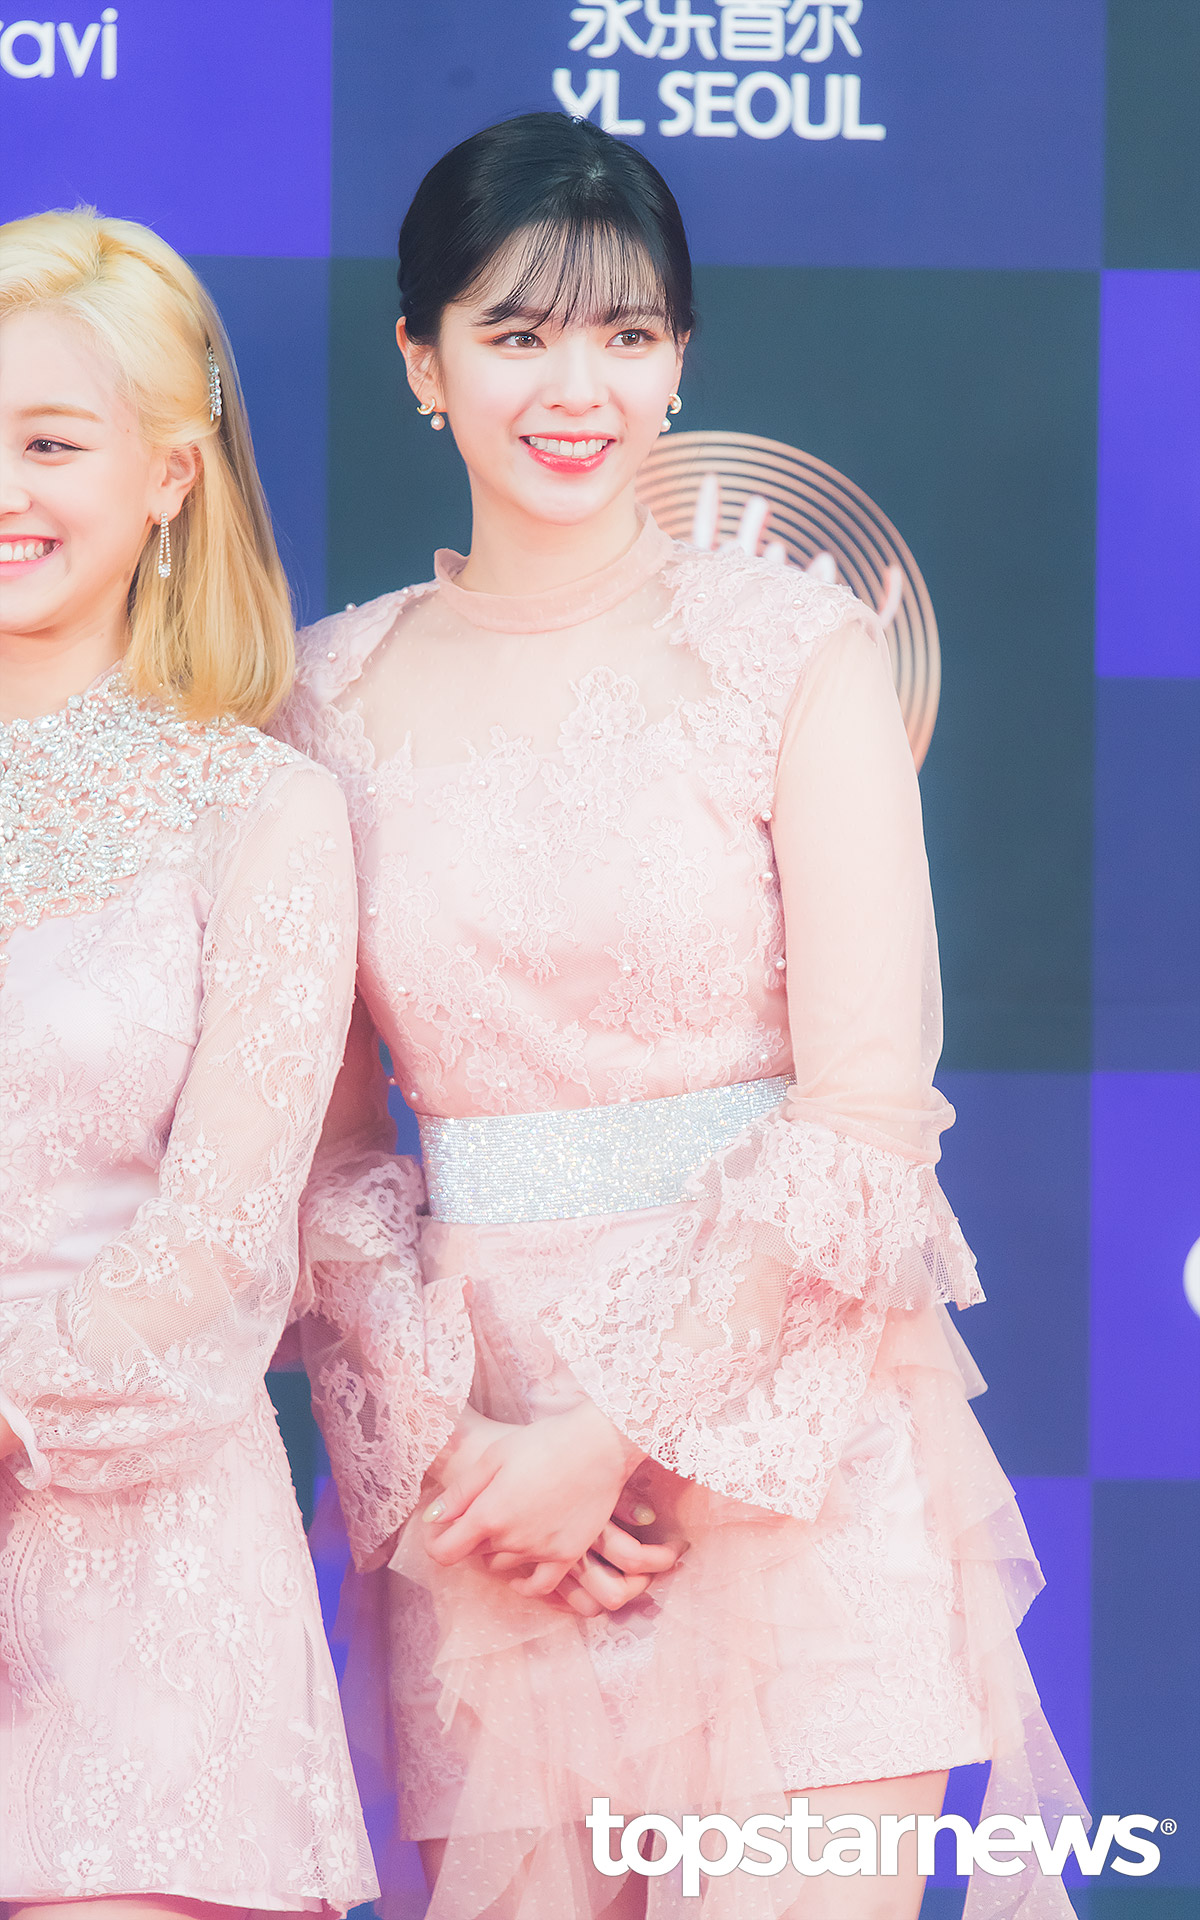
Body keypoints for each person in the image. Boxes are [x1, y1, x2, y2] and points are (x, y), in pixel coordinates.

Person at [279, 115, 1085, 1919]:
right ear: (422, 361)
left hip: (790, 1441)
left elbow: (868, 1108)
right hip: (486, 1495)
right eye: (518, 333)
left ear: (678, 361)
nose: (579, 388)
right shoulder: (326, 701)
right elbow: (325, 1163)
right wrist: (468, 1461)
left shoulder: (796, 652)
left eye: (627, 334)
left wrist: (612, 1439)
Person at [0, 210, 377, 1920]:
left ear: (167, 474)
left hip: (142, 1582)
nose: (7, 489)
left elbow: (225, 1236)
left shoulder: (261, 810)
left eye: (50, 443)